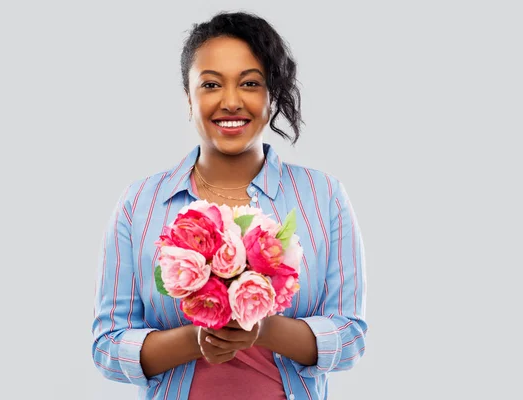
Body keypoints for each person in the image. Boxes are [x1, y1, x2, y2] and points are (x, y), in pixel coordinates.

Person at [92, 11, 367, 400]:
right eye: (211, 84)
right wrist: (197, 338)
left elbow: (351, 336)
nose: (231, 101)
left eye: (250, 83)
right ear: (189, 99)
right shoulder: (139, 204)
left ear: (272, 95)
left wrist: (261, 329)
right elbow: (106, 346)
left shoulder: (324, 196)